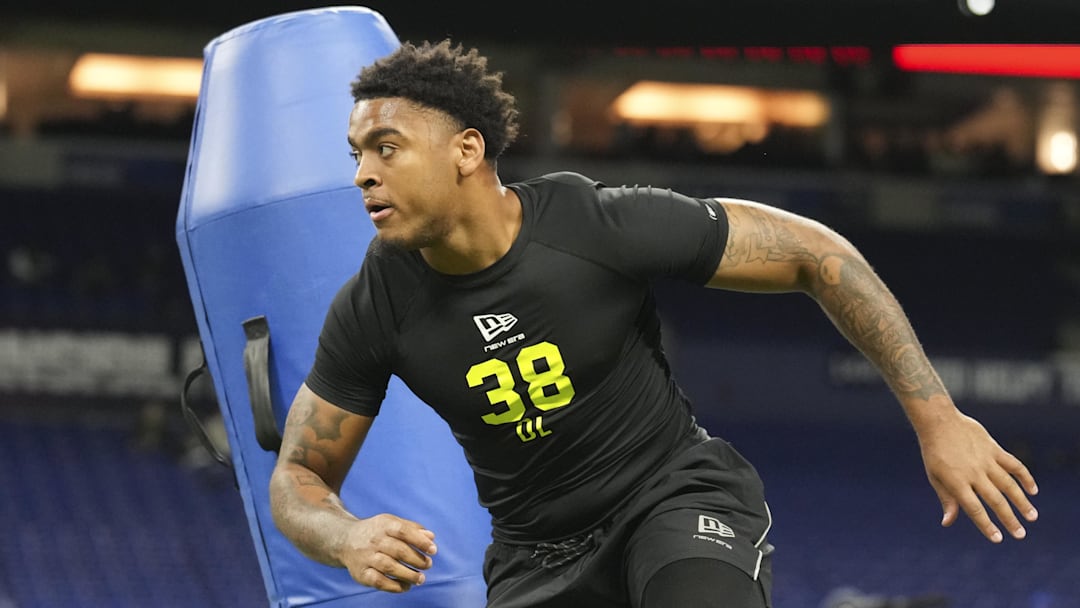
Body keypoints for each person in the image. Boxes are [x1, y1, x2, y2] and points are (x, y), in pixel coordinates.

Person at [268, 40, 1039, 608]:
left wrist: (938, 419)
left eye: (387, 148)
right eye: (356, 153)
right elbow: (297, 480)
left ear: (467, 150)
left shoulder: (594, 225)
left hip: (671, 501)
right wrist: (346, 536)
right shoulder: (374, 304)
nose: (362, 174)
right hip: (535, 562)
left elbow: (817, 254)